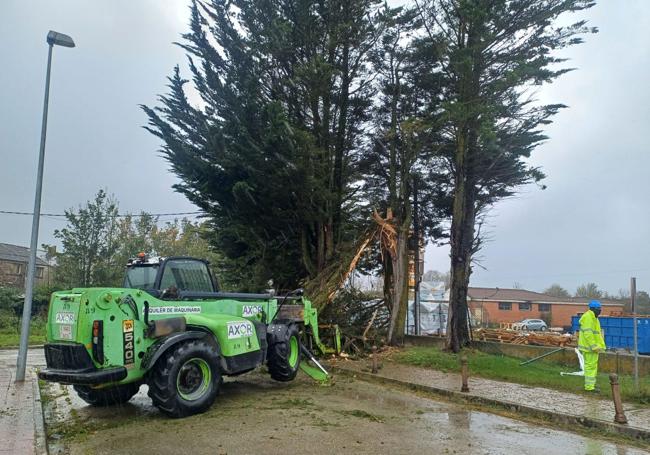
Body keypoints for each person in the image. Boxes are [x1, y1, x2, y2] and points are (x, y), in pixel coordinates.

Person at [578, 300, 606, 392]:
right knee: (590, 367)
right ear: (593, 309)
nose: (600, 311)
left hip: (593, 348)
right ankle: (589, 387)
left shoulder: (594, 318)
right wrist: (594, 346)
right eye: (598, 309)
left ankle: (591, 385)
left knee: (592, 366)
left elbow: (596, 334)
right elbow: (588, 334)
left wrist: (600, 346)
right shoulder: (588, 317)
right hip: (590, 348)